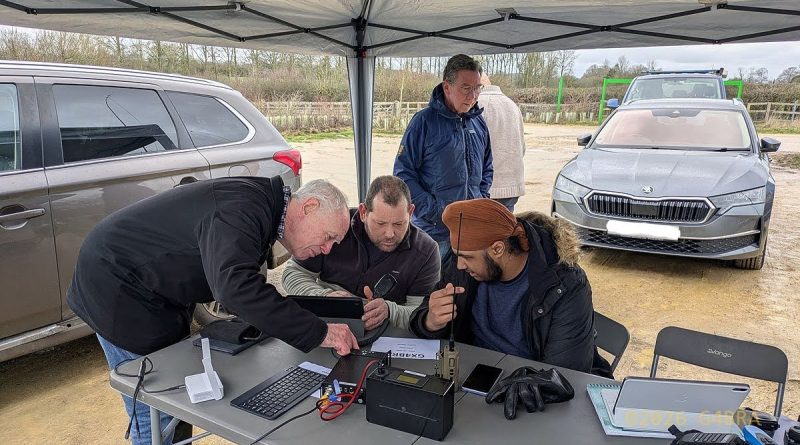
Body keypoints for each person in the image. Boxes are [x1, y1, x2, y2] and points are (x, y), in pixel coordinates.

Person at [67, 177, 358, 445]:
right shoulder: (243, 209)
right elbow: (235, 288)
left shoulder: (260, 206)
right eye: (329, 236)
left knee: (177, 400)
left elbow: (235, 282)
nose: (328, 249)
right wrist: (319, 332)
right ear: (309, 207)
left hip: (154, 292)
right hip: (117, 287)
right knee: (154, 406)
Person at [409, 199, 612, 376]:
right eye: (458, 255)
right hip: (471, 376)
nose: (460, 264)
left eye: (467, 257)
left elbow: (563, 375)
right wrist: (430, 321)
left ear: (498, 248)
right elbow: (420, 318)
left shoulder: (565, 285)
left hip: (530, 389)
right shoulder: (463, 266)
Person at [282, 175, 440, 330]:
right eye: (380, 223)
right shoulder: (335, 226)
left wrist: (390, 311)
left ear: (411, 213)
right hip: (326, 325)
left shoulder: (426, 252)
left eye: (399, 223)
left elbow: (423, 314)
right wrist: (324, 298)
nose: (390, 233)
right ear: (363, 212)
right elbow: (292, 274)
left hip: (385, 335)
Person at [394, 54, 493, 262]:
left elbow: (487, 168)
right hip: (434, 233)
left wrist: (480, 200)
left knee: (466, 289)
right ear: (447, 87)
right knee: (432, 289)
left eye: (477, 88)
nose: (473, 95)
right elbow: (403, 176)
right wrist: (437, 212)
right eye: (466, 88)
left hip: (470, 232)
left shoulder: (478, 123)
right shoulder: (423, 122)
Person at [478, 74, 526, 212]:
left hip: (488, 187)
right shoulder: (512, 105)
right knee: (505, 230)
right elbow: (522, 147)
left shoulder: (477, 105)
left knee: (484, 230)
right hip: (512, 185)